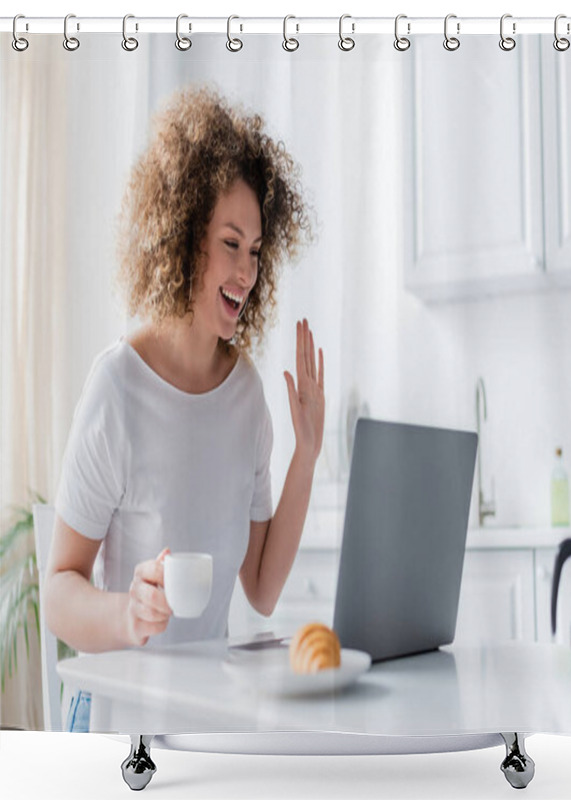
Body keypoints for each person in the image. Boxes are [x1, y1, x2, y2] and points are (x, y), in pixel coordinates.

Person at [44, 86, 322, 730]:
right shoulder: (116, 388)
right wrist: (126, 613)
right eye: (230, 243)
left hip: (205, 719)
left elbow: (260, 585)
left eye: (255, 250)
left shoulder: (247, 395)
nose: (247, 271)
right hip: (117, 716)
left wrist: (306, 453)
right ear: (182, 235)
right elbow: (58, 593)